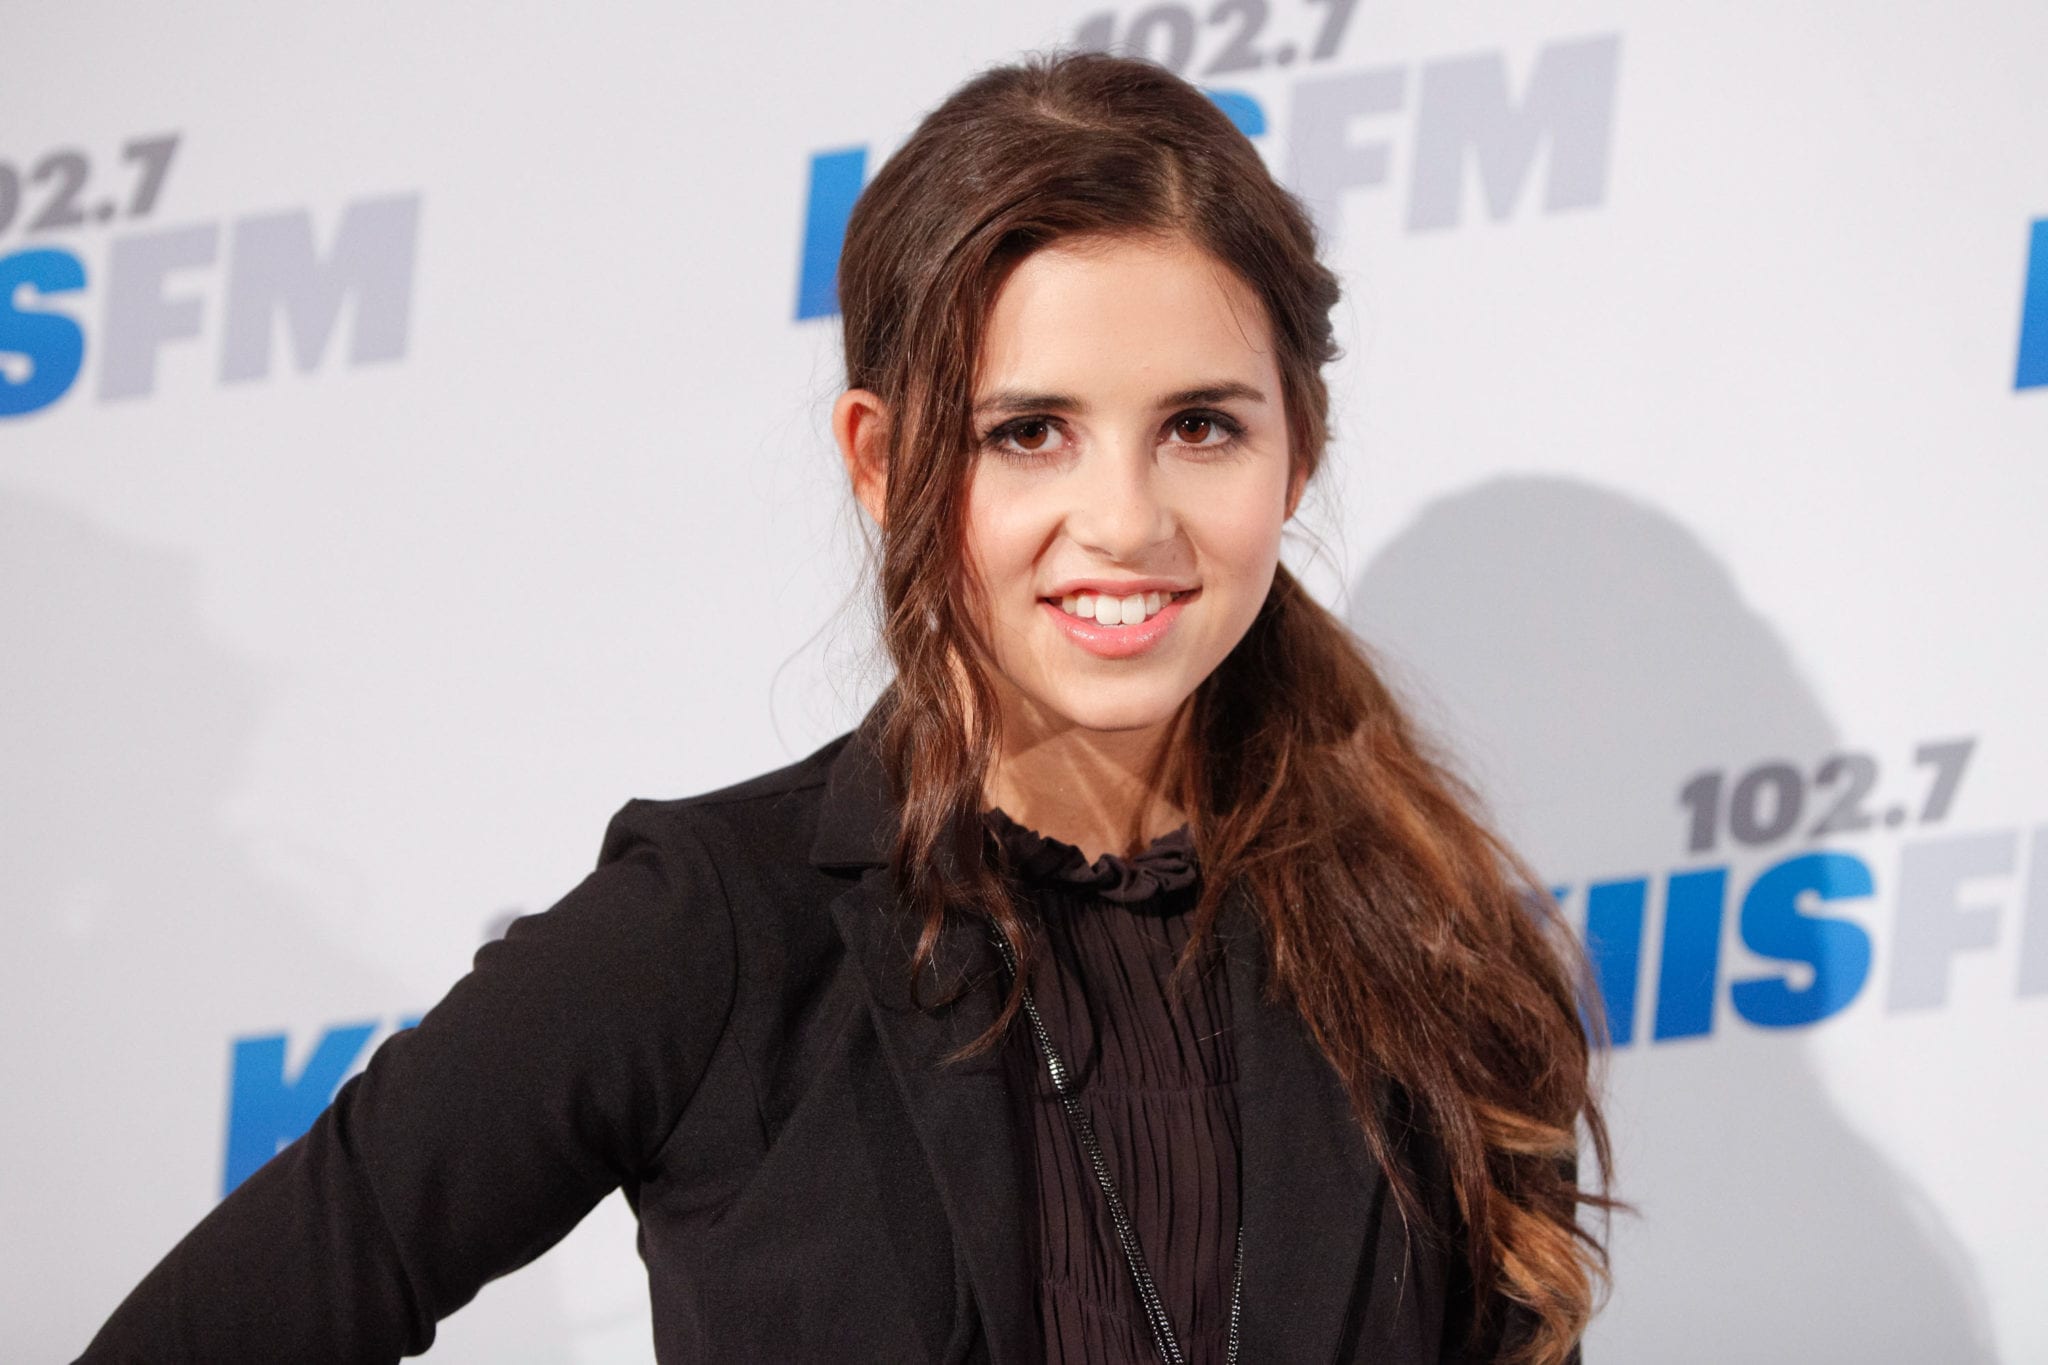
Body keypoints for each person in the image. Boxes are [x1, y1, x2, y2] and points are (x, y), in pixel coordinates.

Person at [77, 48, 1612, 1365]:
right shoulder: (711, 932)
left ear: (1297, 452)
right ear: (884, 461)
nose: (1126, 521)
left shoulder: (1434, 951)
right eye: (1029, 432)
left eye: (1201, 426)